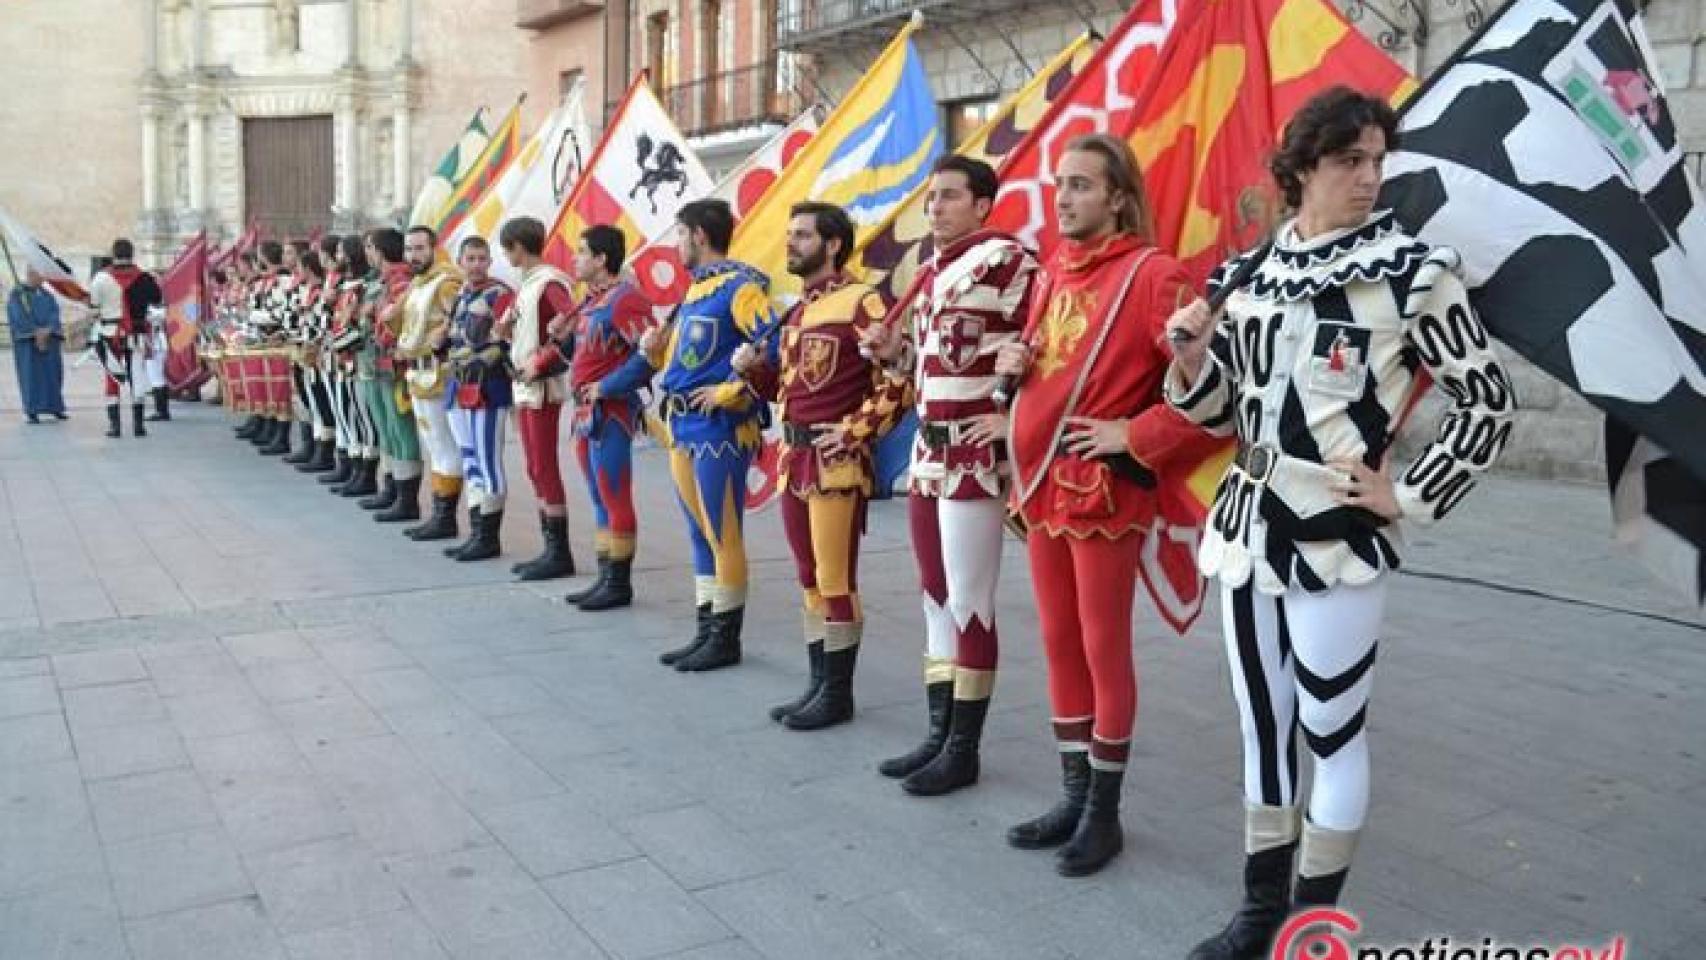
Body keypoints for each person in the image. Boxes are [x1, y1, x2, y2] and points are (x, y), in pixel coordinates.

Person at [1164, 88, 1514, 957]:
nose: (1368, 177)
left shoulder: (1414, 271)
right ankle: (1258, 912)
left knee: (1332, 730)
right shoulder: (1245, 274)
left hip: (1337, 540)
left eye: (1375, 161)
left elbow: (1488, 401)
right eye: (1347, 161)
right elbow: (1218, 411)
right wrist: (1190, 358)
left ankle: (1312, 924)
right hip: (1245, 532)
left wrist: (1414, 494)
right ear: (1300, 168)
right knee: (1263, 727)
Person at [993, 134, 1215, 877]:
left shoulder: (1155, 276)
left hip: (1102, 492)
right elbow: (1047, 358)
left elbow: (1213, 393)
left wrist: (1136, 432)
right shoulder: (1054, 267)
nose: (1064, 198)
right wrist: (1015, 365)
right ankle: (1073, 792)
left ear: (1118, 195)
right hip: (1040, 487)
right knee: (1058, 641)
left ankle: (1104, 813)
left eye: (1082, 185)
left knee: (1101, 646)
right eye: (1061, 185)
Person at [860, 156, 1040, 794]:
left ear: (984, 205)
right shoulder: (932, 274)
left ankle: (964, 749)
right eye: (931, 198)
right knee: (934, 596)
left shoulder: (1013, 265)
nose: (935, 208)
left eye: (949, 197)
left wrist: (1013, 421)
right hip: (928, 455)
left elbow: (1040, 355)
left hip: (972, 456)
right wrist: (893, 354)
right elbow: (926, 370)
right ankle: (938, 736)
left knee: (970, 604)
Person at [735, 202, 906, 728]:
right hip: (793, 457)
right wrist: (754, 374)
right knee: (808, 577)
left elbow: (898, 381)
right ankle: (818, 685)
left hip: (835, 465)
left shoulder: (865, 303)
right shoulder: (795, 312)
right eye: (789, 234)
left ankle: (838, 694)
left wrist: (854, 434)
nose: (790, 243)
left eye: (802, 235)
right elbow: (789, 390)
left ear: (833, 244)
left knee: (835, 580)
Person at [638, 199, 776, 672]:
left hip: (719, 428)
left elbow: (772, 347)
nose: (676, 245)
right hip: (682, 428)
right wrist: (655, 354)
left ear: (698, 234)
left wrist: (732, 390)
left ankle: (726, 638)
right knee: (699, 535)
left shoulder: (740, 289)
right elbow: (683, 363)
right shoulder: (692, 295)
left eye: (679, 235)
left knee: (724, 534)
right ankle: (706, 630)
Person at [546, 225, 655, 608]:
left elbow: (650, 356)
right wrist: (560, 338)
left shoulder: (626, 300)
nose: (574, 259)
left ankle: (619, 584)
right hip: (584, 412)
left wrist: (607, 387)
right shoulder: (591, 301)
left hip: (611, 413)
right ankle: (605, 575)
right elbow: (582, 356)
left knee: (614, 494)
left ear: (601, 259)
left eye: (581, 252)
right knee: (597, 496)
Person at [498, 216, 580, 582]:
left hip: (541, 385)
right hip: (524, 384)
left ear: (517, 246)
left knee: (544, 466)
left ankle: (559, 551)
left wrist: (543, 361)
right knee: (533, 466)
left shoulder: (548, 282)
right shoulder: (528, 285)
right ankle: (549, 547)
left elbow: (570, 322)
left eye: (507, 248)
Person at [440, 235, 516, 561]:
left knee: (488, 462)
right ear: (460, 261)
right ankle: (476, 531)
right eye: (469, 259)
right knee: (469, 459)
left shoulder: (500, 294)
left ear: (489, 260)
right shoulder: (460, 294)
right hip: (457, 386)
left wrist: (482, 358)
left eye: (481, 258)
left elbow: (508, 342)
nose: (475, 265)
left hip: (487, 388)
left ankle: (489, 537)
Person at [395, 225, 465, 539]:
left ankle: (445, 517)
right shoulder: (418, 284)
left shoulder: (446, 282)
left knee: (444, 447)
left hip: (439, 373)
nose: (413, 255)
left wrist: (446, 333)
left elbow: (461, 321)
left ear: (434, 248)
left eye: (419, 248)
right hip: (417, 371)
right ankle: (440, 515)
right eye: (409, 249)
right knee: (435, 447)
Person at [349, 229, 415, 508]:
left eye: (370, 247)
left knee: (401, 431)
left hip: (393, 365)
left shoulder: (401, 282)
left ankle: (406, 497)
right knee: (386, 428)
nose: (367, 253)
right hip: (376, 363)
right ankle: (392, 488)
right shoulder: (382, 281)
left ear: (381, 250)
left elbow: (401, 324)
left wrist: (373, 316)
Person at [87, 238, 163, 438]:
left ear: (114, 254)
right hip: (136, 334)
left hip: (110, 333)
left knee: (112, 378)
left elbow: (93, 308)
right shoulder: (144, 278)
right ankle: (139, 426)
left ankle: (115, 426)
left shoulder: (101, 278)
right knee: (137, 376)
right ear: (132, 254)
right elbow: (157, 299)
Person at [7, 267, 67, 423]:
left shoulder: (47, 295)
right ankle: (32, 410)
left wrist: (47, 330)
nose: (42, 279)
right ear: (30, 275)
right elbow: (17, 316)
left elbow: (54, 314)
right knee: (31, 376)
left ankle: (55, 407)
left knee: (53, 374)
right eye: (39, 276)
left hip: (49, 341)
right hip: (28, 344)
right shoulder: (17, 295)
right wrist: (35, 332)